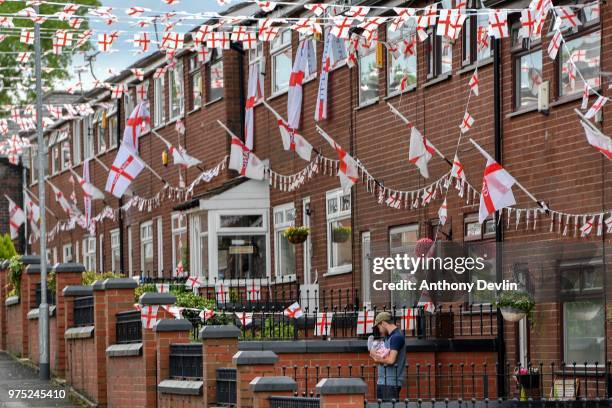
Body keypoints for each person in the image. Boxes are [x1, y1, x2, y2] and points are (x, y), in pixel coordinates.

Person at [370, 311, 406, 401]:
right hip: (383, 381)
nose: (379, 330)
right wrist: (374, 353)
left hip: (391, 383)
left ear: (383, 323)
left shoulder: (396, 337)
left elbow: (391, 360)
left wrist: (377, 359)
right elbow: (384, 354)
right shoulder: (388, 337)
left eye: (378, 326)